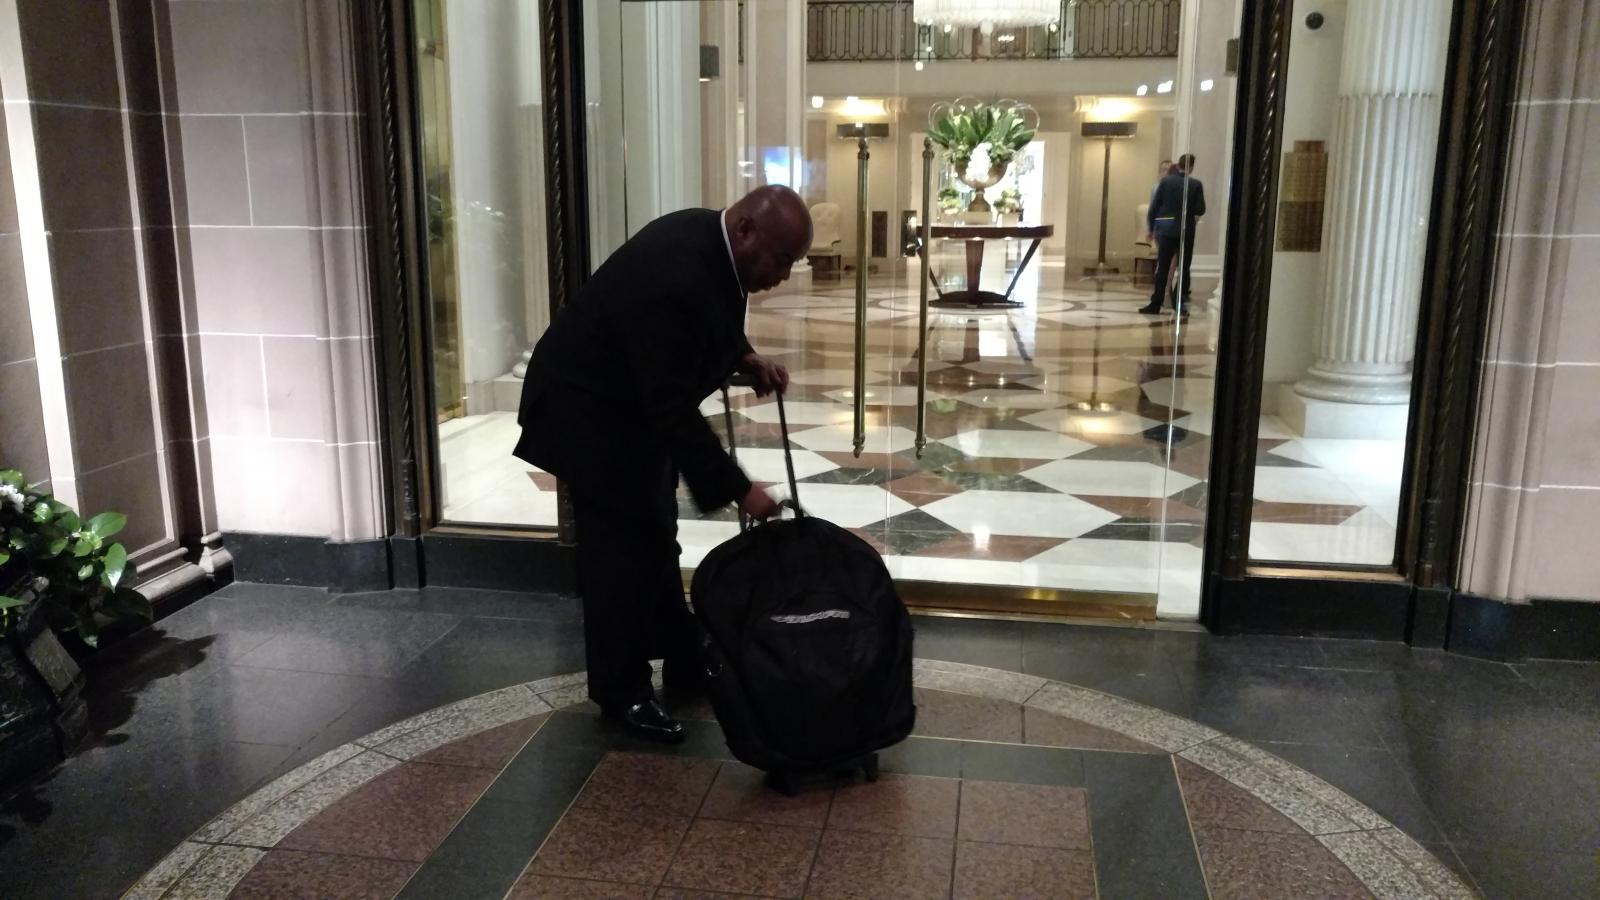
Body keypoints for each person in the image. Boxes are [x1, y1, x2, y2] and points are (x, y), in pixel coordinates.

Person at [512, 186, 810, 742]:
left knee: (655, 531)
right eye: (780, 260)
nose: (784, 276)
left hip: (627, 404)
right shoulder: (679, 270)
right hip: (587, 409)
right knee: (619, 550)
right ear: (746, 230)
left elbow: (712, 314)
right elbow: (668, 405)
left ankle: (681, 652)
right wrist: (738, 488)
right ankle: (620, 692)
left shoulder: (713, 245)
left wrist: (744, 356)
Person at [1142, 153, 1206, 316]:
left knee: (1162, 266)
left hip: (1166, 228)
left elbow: (1154, 206)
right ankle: (1179, 303)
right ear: (1191, 167)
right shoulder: (1196, 184)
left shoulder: (1166, 181)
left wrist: (1151, 228)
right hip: (1186, 230)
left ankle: (1155, 303)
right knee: (1183, 267)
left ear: (1178, 165)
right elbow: (1200, 209)